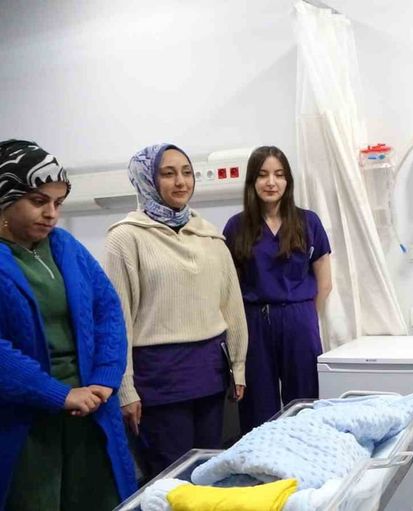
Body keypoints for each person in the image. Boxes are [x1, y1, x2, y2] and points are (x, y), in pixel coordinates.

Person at [0, 140, 136, 510]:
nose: (51, 214)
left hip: (90, 407)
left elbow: (107, 311)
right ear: (6, 197)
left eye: (58, 203)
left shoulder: (66, 247)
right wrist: (57, 394)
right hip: (24, 420)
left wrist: (104, 378)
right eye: (38, 201)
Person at [105, 143, 248, 477]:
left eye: (186, 172)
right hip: (159, 380)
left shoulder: (208, 235)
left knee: (210, 472)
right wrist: (125, 388)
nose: (181, 182)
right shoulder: (125, 238)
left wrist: (238, 366)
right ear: (147, 180)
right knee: (171, 477)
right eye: (168, 174)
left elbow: (231, 306)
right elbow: (117, 320)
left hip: (210, 374)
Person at [223, 146, 332, 434]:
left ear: (288, 180)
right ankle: (262, 461)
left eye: (279, 175)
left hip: (299, 318)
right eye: (263, 175)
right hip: (254, 322)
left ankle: (306, 454)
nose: (271, 182)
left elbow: (325, 281)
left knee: (305, 401)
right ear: (252, 181)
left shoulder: (308, 222)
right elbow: (229, 287)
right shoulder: (236, 227)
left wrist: (305, 316)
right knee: (258, 408)